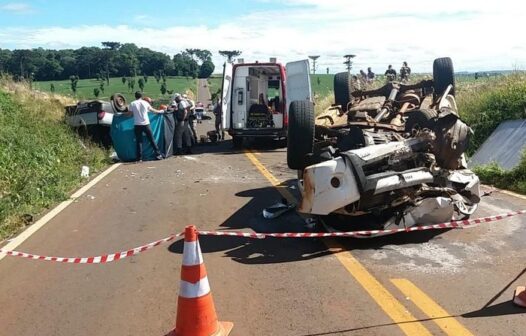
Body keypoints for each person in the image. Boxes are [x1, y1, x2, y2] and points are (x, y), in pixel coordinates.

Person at [126, 91, 164, 162]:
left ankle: (139, 158)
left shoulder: (132, 103)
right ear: (141, 96)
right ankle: (158, 155)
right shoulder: (145, 103)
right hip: (146, 124)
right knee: (152, 140)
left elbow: (130, 114)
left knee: (139, 141)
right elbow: (153, 110)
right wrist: (161, 111)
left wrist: (122, 114)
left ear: (135, 96)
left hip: (137, 125)